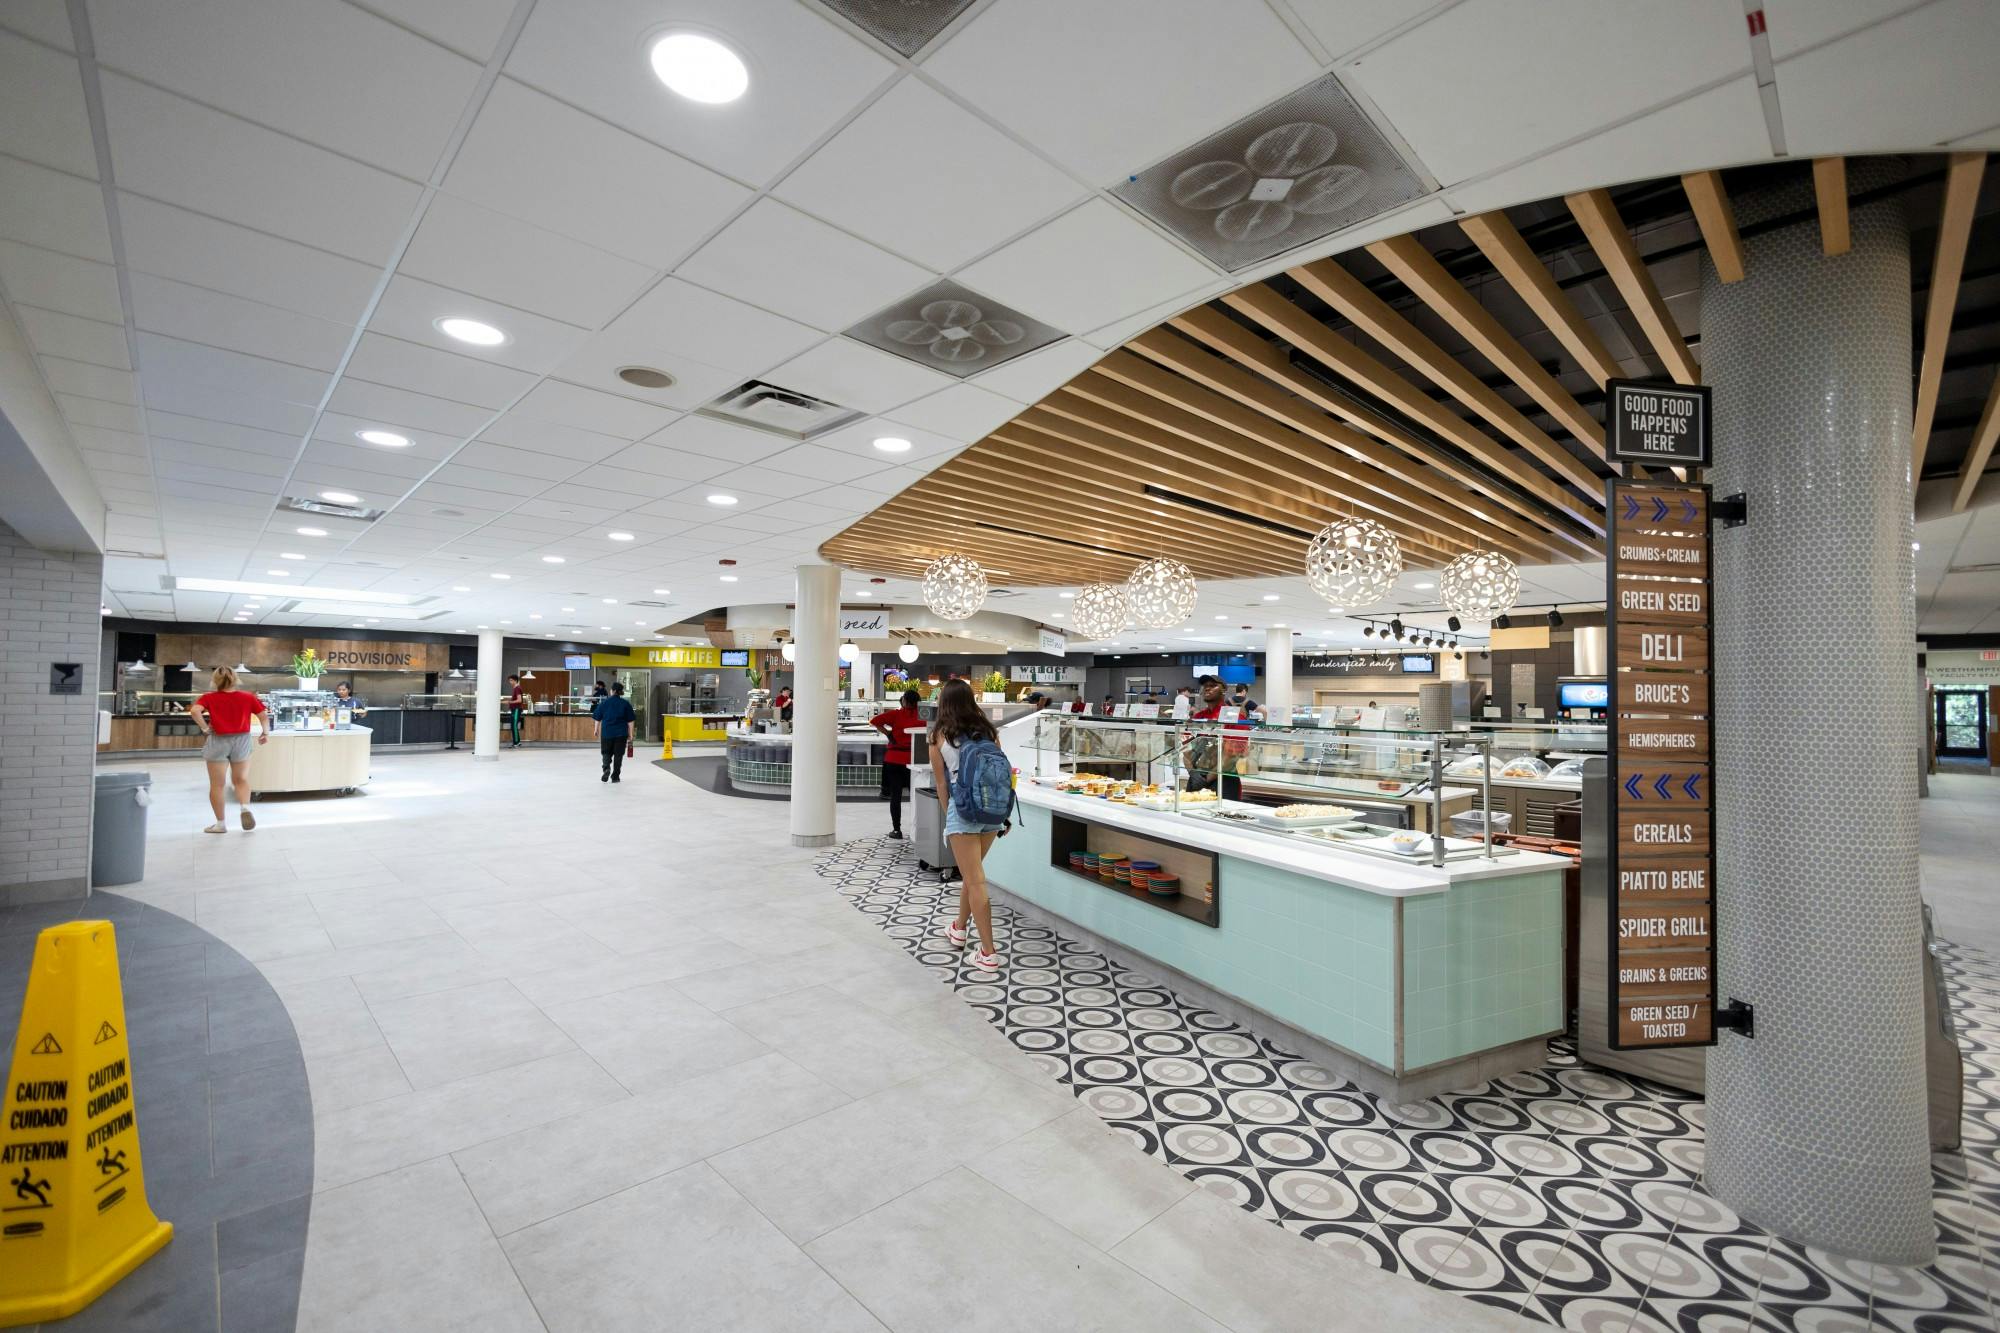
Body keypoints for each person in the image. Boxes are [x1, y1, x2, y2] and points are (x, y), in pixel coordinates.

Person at [932, 678, 1010, 970]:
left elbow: (941, 784)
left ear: (944, 702)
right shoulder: (988, 732)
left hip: (963, 813)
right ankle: (958, 928)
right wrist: (1003, 812)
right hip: (991, 813)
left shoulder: (939, 735)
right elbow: (1000, 775)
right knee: (971, 874)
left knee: (975, 879)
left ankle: (988, 953)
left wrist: (950, 814)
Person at [188, 665, 269, 833]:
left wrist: (204, 728)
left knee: (217, 785)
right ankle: (245, 808)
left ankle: (220, 824)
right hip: (242, 740)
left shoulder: (209, 697)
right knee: (241, 780)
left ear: (215, 680)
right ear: (236, 679)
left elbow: (195, 711)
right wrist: (265, 733)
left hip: (218, 740)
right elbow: (263, 716)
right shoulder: (248, 697)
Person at [870, 690, 924, 839]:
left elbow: (874, 721)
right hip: (914, 760)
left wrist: (888, 734)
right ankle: (918, 829)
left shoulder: (896, 714)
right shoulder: (923, 715)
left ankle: (896, 830)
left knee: (896, 796)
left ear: (904, 700)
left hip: (893, 760)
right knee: (917, 796)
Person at [592, 680, 637, 783]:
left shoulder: (604, 703)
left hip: (607, 732)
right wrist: (631, 734)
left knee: (606, 753)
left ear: (612, 691)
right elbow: (630, 721)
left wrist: (596, 730)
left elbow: (597, 718)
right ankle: (615, 777)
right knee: (618, 755)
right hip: (621, 734)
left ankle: (606, 768)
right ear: (620, 692)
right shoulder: (625, 704)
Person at [506, 674, 528, 747]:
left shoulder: (517, 688)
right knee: (513, 726)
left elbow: (519, 700)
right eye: (509, 680)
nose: (510, 682)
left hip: (516, 709)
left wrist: (509, 702)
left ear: (515, 680)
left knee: (514, 726)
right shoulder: (515, 688)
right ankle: (517, 742)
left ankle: (516, 743)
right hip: (514, 710)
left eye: (511, 680)